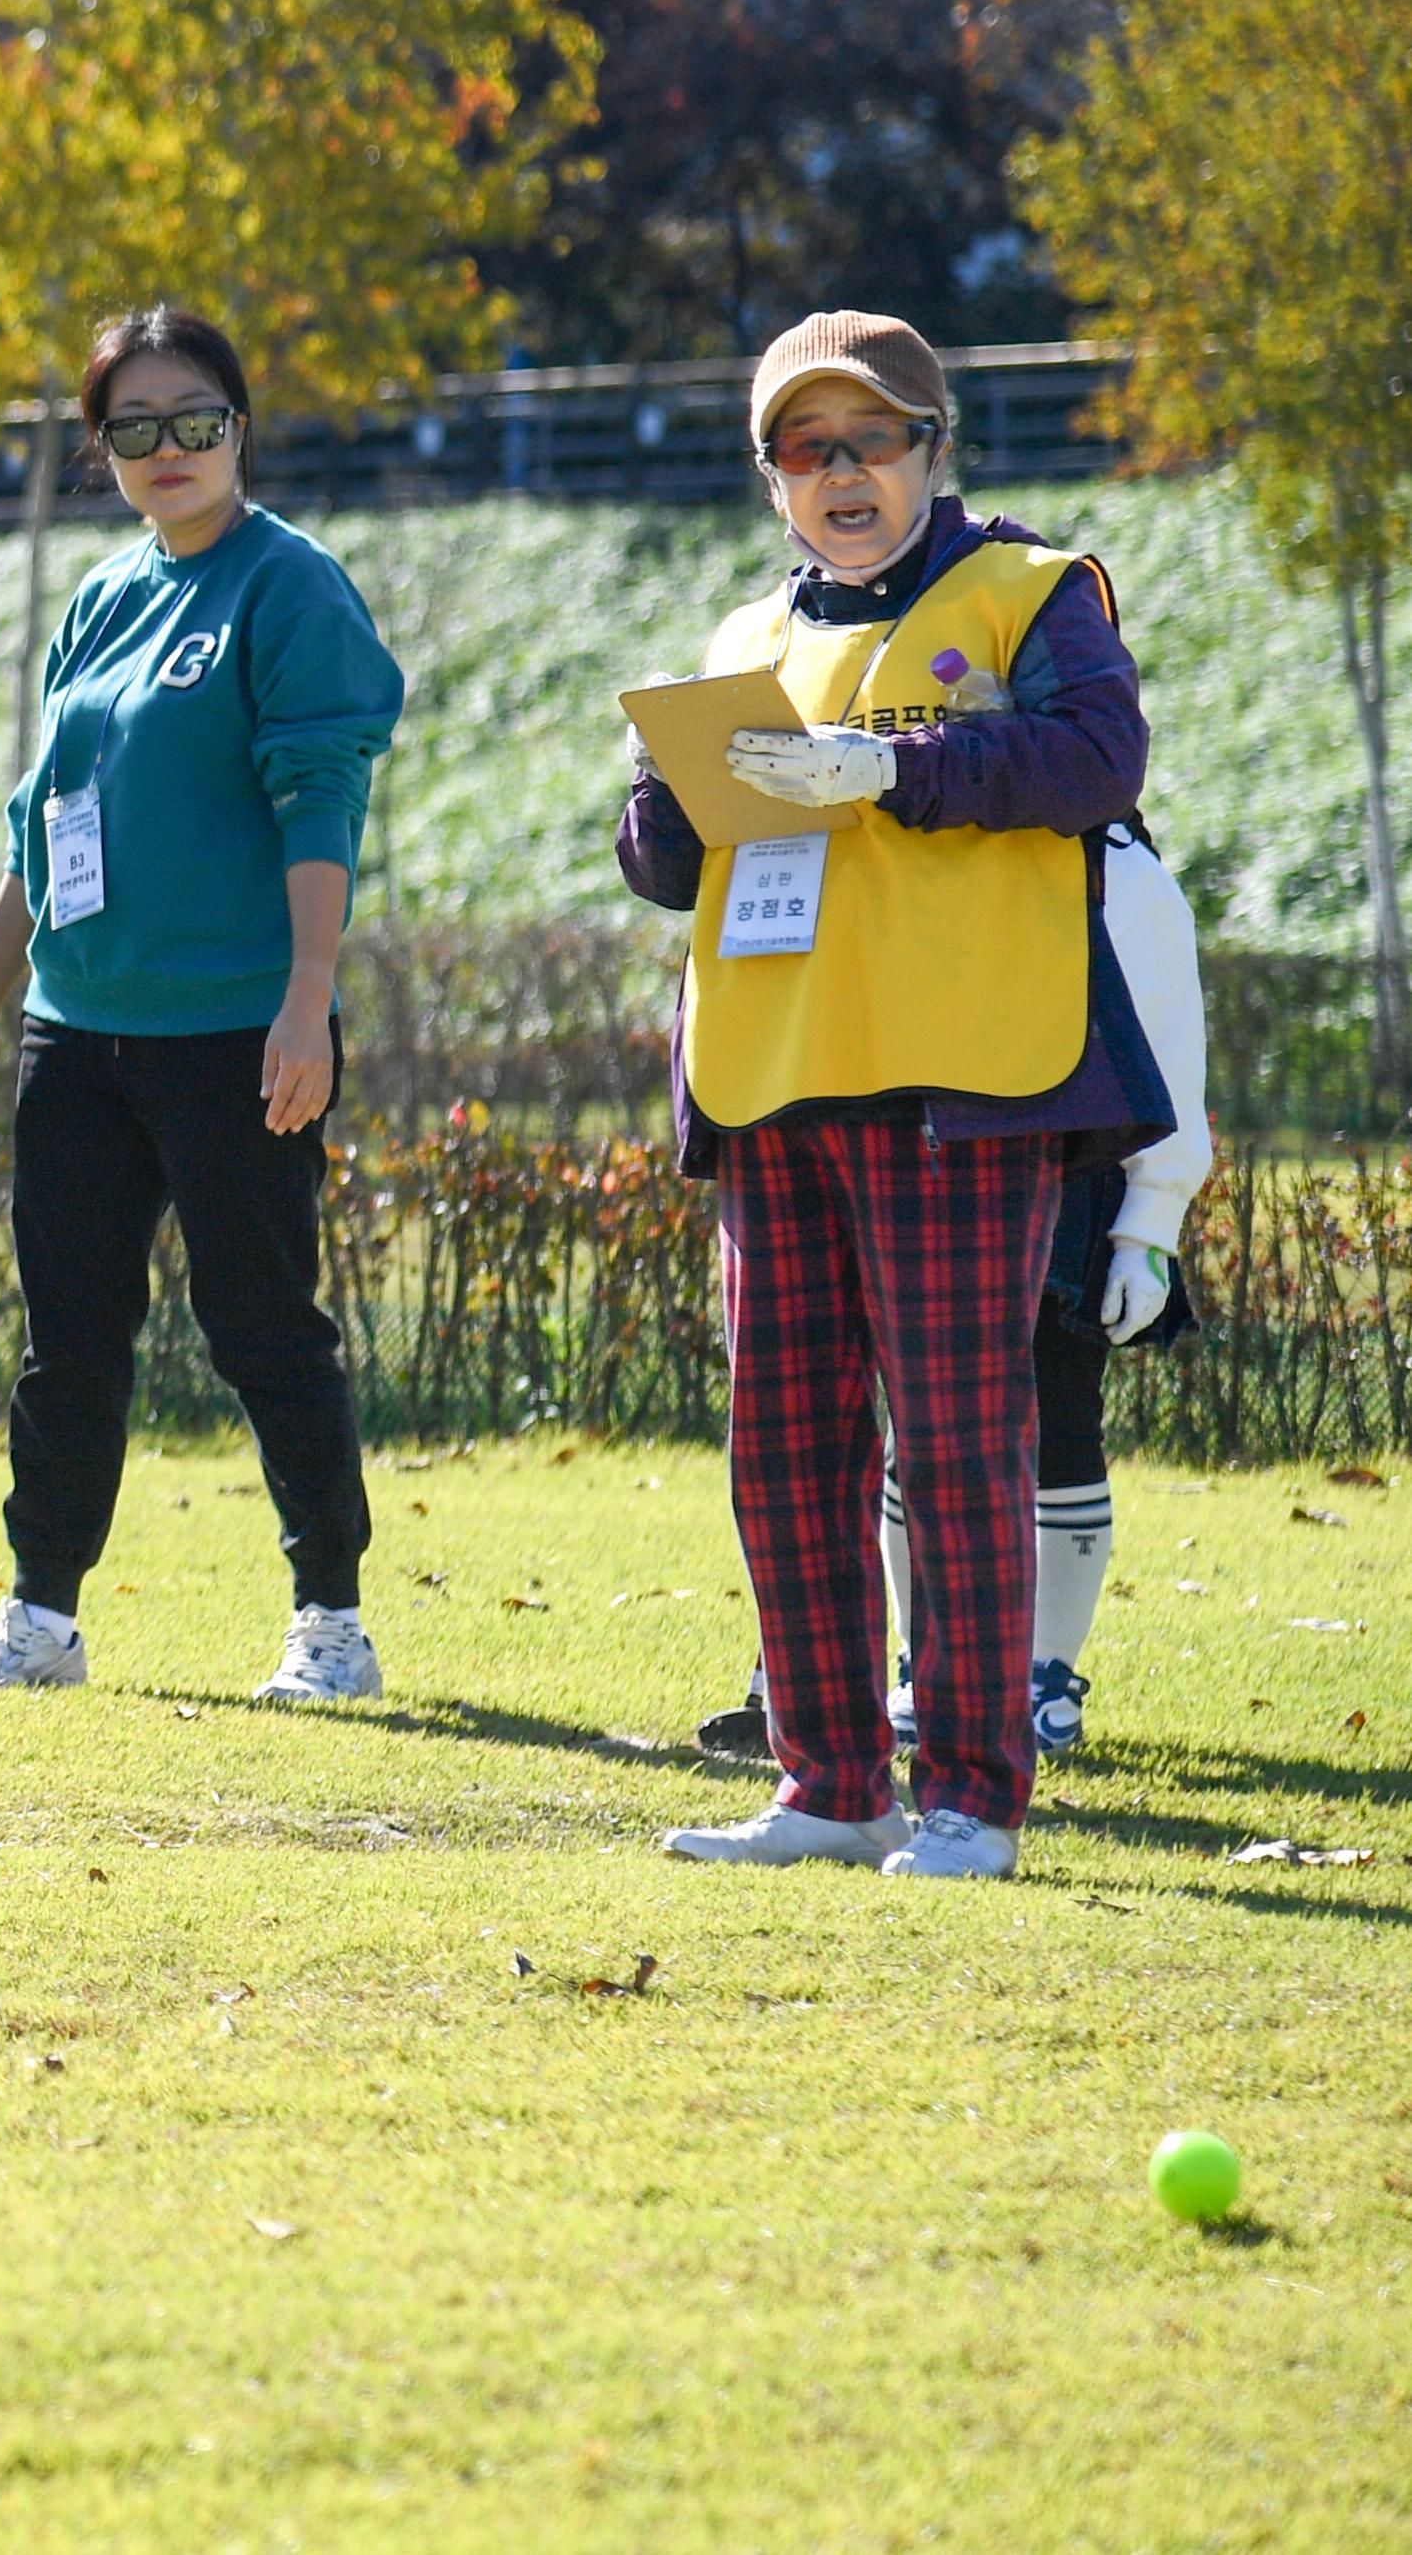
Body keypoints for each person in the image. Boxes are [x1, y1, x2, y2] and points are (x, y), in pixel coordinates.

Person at [623, 312, 1169, 1884]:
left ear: (937, 451)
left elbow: (1097, 761)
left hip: (961, 1082)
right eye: (806, 449)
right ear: (771, 480)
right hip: (771, 1080)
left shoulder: (1030, 591)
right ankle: (829, 1782)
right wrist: (664, 805)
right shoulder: (738, 639)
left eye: (873, 440)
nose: (841, 473)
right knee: (781, 1450)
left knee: (951, 1451)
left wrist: (898, 775)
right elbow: (661, 867)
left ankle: (972, 1798)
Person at [0, 304, 406, 1707]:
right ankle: (38, 1619)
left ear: (237, 427)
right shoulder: (102, 598)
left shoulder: (287, 588)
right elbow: (45, 820)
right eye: (133, 428)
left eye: (194, 419)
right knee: (63, 1339)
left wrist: (306, 997)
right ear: (102, 450)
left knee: (261, 1324)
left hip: (234, 1026)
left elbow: (322, 792)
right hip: (75, 1030)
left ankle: (331, 1621)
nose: (167, 449)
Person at [693, 817, 1208, 1768]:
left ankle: (1044, 1673)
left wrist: (1151, 1223)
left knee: (1056, 1418)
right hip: (938, 1159)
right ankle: (920, 1669)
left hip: (1078, 1167)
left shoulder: (1122, 875)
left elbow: (1172, 1052)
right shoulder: (922, 861)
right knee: (920, 1427)